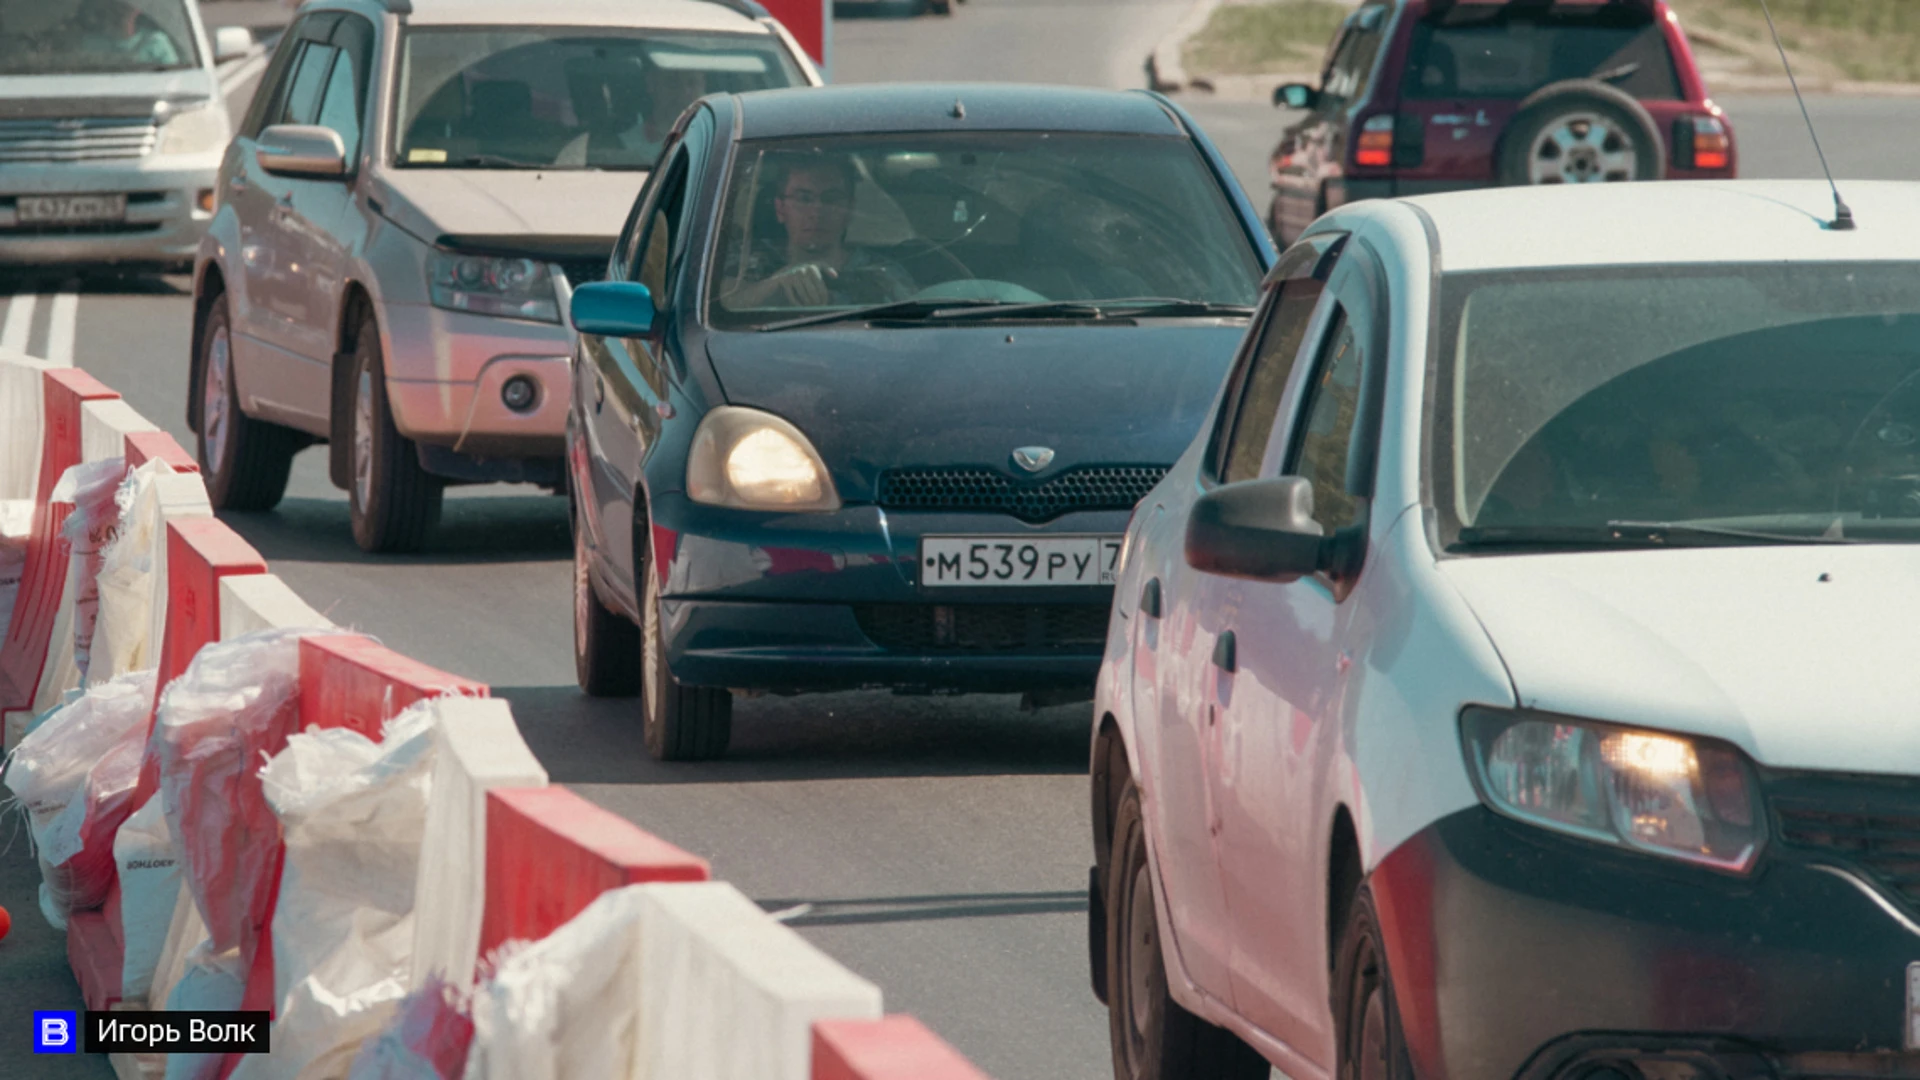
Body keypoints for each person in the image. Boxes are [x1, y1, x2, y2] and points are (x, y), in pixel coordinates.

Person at [719, 156, 916, 310]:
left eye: (831, 199)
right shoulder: (746, 261)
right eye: (804, 198)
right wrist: (776, 284)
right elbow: (716, 308)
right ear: (780, 209)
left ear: (849, 210)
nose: (817, 212)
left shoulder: (880, 274)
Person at [68, 0, 179, 66]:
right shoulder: (90, 44)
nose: (121, 8)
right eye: (116, 4)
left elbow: (175, 79)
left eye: (127, 3)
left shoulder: (156, 42)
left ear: (137, 10)